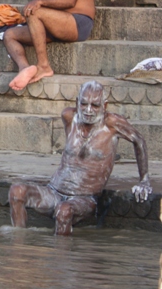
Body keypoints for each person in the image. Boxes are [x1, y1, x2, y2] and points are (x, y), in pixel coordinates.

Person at [8, 81, 152, 235]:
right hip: (54, 192)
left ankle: (61, 255)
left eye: (95, 105)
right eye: (84, 104)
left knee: (64, 211)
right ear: (77, 103)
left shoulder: (113, 124)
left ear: (105, 105)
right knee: (17, 191)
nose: (88, 110)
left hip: (84, 199)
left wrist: (144, 179)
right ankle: (18, 247)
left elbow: (139, 141)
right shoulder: (69, 116)